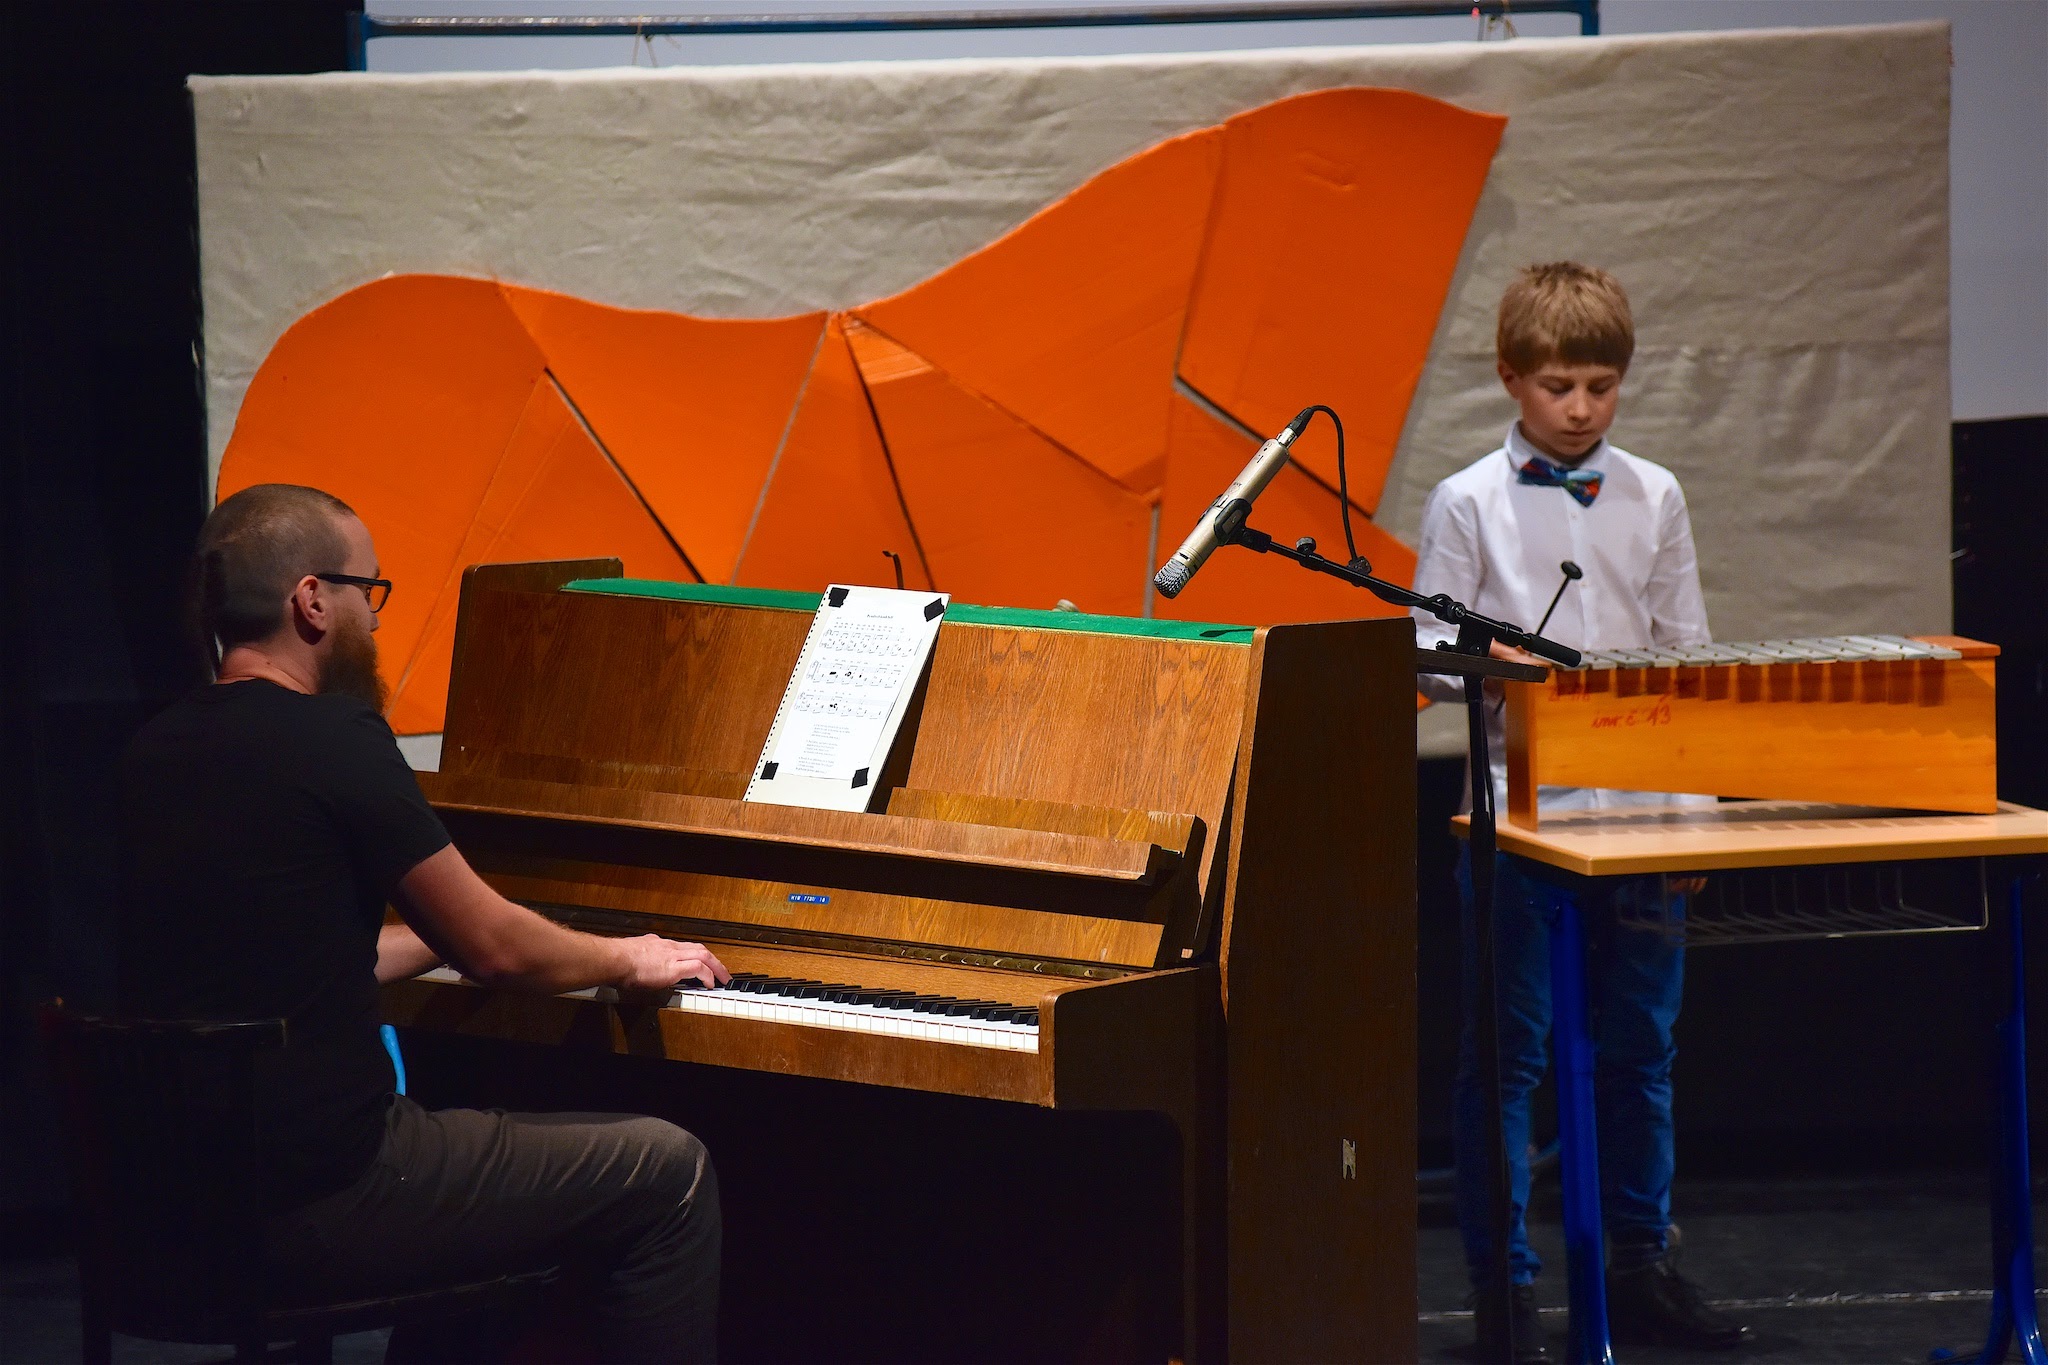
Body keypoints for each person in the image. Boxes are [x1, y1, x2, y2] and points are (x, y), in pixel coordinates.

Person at [119, 483, 730, 1364]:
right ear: (312, 600)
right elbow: (496, 949)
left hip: (181, 1214)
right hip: (330, 1198)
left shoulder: (153, 752)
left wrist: (450, 942)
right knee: (668, 1169)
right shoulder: (334, 739)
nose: (376, 617)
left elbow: (291, 957)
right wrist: (624, 956)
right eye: (369, 590)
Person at [1412, 263, 1748, 1362]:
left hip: (1643, 817)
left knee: (1641, 1050)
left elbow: (1685, 655)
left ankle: (1638, 1267)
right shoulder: (1467, 500)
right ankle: (1504, 1289)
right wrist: (1492, 662)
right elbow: (1425, 659)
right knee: (1507, 1060)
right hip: (1519, 821)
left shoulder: (1654, 492)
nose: (1580, 408)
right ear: (1510, 377)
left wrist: (1696, 813)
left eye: (1601, 386)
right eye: (1558, 385)